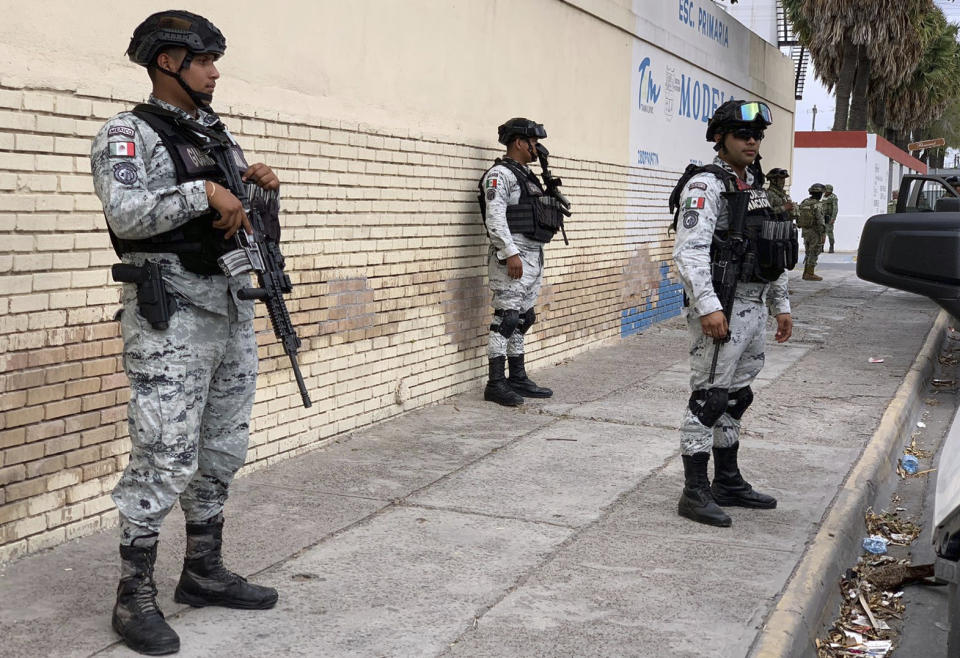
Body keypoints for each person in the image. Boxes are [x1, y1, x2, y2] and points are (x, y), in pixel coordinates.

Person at [90, 11, 280, 655]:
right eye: (204, 61)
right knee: (164, 449)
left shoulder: (214, 135)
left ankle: (202, 571)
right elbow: (126, 212)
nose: (215, 71)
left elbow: (238, 223)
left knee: (223, 443)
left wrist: (259, 193)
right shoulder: (127, 133)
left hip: (230, 306)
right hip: (172, 313)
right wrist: (204, 193)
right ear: (167, 62)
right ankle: (132, 595)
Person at [670, 100, 793, 527]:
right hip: (722, 307)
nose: (753, 141)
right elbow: (689, 252)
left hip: (754, 307)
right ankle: (694, 491)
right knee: (709, 399)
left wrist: (782, 305)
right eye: (744, 134)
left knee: (737, 398)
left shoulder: (755, 187)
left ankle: (727, 480)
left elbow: (772, 248)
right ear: (720, 138)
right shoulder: (705, 186)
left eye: (758, 135)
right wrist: (707, 306)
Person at [476, 118, 566, 406]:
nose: (537, 148)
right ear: (519, 142)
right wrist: (510, 253)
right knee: (506, 319)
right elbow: (495, 217)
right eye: (533, 143)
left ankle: (517, 376)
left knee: (523, 318)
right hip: (513, 256)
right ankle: (495, 383)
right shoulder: (500, 175)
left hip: (534, 254)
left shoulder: (528, 175)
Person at [798, 184, 827, 281]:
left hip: (805, 231)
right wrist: (823, 233)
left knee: (808, 251)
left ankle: (806, 272)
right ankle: (809, 273)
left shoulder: (805, 202)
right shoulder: (818, 205)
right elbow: (820, 220)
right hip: (815, 232)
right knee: (814, 251)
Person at [821, 184, 839, 253]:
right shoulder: (822, 196)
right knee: (822, 232)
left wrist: (833, 218)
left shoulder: (833, 197)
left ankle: (831, 246)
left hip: (829, 217)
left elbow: (835, 209)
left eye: (828, 191)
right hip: (822, 217)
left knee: (829, 232)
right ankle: (821, 247)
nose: (826, 192)